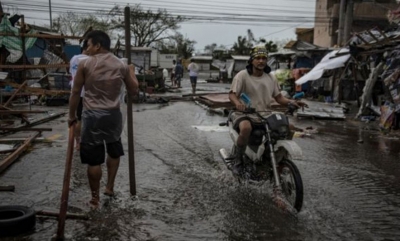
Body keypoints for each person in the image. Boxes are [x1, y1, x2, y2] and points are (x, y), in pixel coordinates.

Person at [68, 30, 139, 208]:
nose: (88, 49)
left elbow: (75, 92)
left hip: (92, 116)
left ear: (98, 45)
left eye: (89, 45)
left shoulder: (85, 64)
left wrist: (71, 116)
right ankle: (109, 187)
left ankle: (95, 197)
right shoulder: (121, 65)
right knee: (114, 150)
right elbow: (134, 90)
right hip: (113, 115)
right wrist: (132, 71)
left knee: (93, 159)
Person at [228, 46, 307, 175]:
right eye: (258, 58)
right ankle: (238, 160)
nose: (261, 61)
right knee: (246, 128)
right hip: (244, 113)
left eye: (264, 58)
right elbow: (232, 94)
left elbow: (279, 98)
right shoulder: (242, 75)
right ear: (252, 60)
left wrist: (292, 102)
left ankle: (273, 160)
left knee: (289, 127)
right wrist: (238, 104)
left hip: (264, 113)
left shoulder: (271, 77)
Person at [69, 40, 89, 151]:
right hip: (88, 92)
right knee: (88, 118)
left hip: (75, 93)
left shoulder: (74, 58)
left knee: (77, 117)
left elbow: (71, 72)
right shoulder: (89, 60)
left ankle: (78, 142)